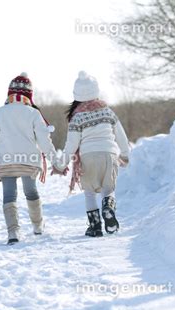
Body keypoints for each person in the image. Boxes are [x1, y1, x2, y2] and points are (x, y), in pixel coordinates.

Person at [0, 73, 56, 245]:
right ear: (29, 95)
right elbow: (44, 140)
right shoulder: (34, 113)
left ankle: (13, 231)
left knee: (9, 194)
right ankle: (37, 225)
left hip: (5, 161)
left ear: (9, 94)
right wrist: (55, 160)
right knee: (31, 191)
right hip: (28, 160)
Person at [53, 71, 130, 237]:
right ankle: (108, 207)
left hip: (88, 157)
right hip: (109, 154)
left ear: (76, 94)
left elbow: (71, 145)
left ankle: (95, 227)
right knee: (108, 189)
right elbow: (120, 135)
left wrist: (61, 164)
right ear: (96, 90)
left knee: (89, 192)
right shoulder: (108, 112)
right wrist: (125, 154)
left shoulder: (77, 117)